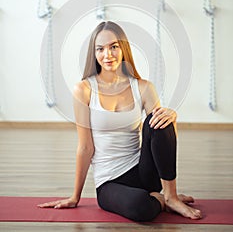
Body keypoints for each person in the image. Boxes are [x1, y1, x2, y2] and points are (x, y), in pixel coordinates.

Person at [38, 21, 202, 222]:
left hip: (143, 171)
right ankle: (160, 200)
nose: (107, 54)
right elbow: (85, 147)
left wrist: (172, 117)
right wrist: (75, 196)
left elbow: (163, 134)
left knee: (160, 117)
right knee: (140, 207)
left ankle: (171, 196)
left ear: (123, 48)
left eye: (113, 47)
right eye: (101, 49)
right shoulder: (84, 90)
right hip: (109, 181)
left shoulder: (143, 87)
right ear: (94, 53)